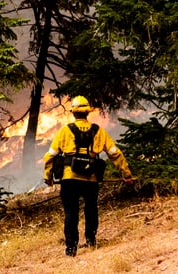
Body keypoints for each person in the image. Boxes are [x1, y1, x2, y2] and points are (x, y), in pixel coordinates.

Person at [43, 95, 133, 257]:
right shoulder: (98, 131)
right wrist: (126, 174)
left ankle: (71, 247)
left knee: (71, 212)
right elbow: (115, 153)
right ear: (88, 113)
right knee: (91, 209)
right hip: (90, 179)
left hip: (69, 179)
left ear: (73, 113)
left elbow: (50, 155)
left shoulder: (65, 131)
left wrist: (48, 176)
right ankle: (91, 240)